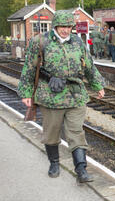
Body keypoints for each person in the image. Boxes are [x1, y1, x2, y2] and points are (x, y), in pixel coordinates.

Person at [18, 10, 106, 183]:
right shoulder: (40, 42)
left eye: (68, 26)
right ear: (55, 26)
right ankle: (54, 163)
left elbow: (89, 66)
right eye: (62, 26)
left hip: (75, 95)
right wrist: (26, 92)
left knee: (76, 133)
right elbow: (29, 68)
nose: (65, 30)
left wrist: (98, 85)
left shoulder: (78, 42)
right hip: (51, 96)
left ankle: (81, 170)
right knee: (51, 133)